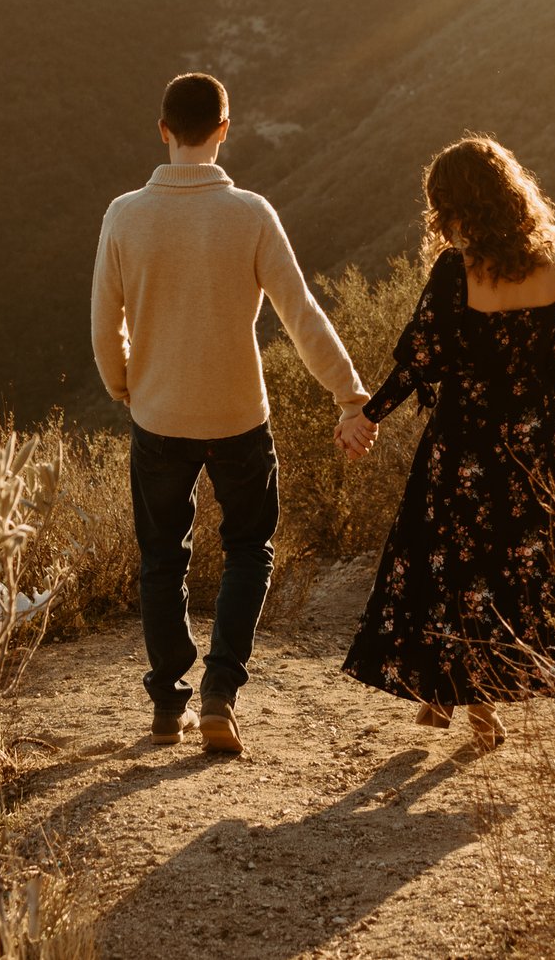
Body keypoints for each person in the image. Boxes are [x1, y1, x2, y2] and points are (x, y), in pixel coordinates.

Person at [92, 72, 372, 756]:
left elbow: (106, 324)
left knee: (162, 558)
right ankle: (220, 693)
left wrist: (126, 384)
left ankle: (167, 705)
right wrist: (350, 395)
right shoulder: (250, 213)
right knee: (249, 548)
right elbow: (301, 315)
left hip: (159, 417)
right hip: (239, 418)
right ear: (224, 129)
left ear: (163, 130)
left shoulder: (125, 215)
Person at [336, 135, 555, 752]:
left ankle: (464, 702)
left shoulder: (458, 270)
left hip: (464, 443)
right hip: (531, 450)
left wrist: (365, 417)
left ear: (453, 207)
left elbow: (420, 361)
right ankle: (456, 696)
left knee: (448, 565)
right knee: (511, 572)